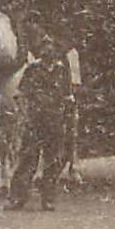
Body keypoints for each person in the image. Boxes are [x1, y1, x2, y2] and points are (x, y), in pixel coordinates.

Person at [10, 23, 71, 211]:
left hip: (54, 122)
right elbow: (20, 94)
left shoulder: (62, 71)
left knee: (53, 162)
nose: (47, 50)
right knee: (27, 160)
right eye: (44, 46)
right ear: (40, 51)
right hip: (34, 121)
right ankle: (17, 198)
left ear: (56, 50)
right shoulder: (32, 70)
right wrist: (24, 116)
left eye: (50, 46)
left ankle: (48, 199)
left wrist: (66, 119)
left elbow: (68, 97)